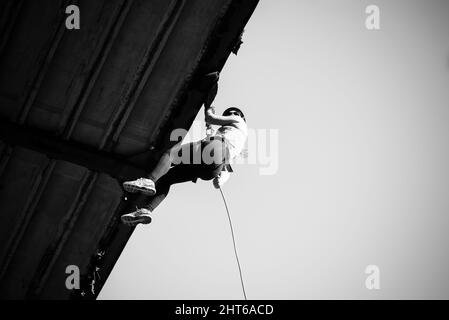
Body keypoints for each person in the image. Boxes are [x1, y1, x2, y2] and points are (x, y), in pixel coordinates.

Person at [120, 100, 248, 226]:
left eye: (233, 113)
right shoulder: (238, 141)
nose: (231, 114)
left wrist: (209, 108)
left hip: (214, 148)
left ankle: (149, 180)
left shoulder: (238, 120)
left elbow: (210, 118)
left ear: (239, 116)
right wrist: (221, 179)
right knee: (167, 179)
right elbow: (222, 171)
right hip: (212, 169)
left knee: (171, 153)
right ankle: (146, 210)